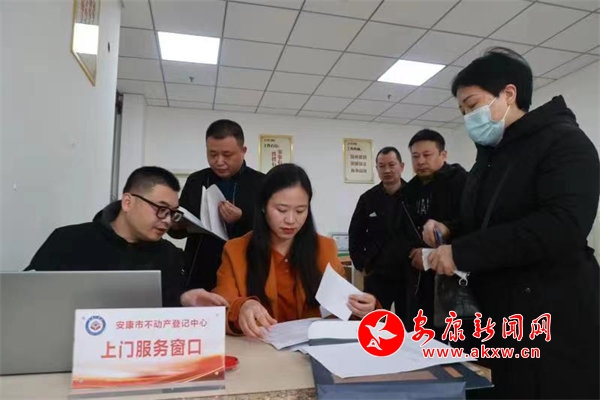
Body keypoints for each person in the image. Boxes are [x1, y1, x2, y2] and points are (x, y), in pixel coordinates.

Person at [424, 47, 599, 399]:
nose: (468, 118)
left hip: (551, 315)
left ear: (508, 93)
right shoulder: (490, 157)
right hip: (498, 313)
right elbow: (488, 220)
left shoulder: (564, 142)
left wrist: (462, 252)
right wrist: (450, 230)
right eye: (462, 112)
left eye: (472, 105)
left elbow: (561, 226)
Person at [208, 163, 377, 338]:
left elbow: (344, 309)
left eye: (300, 210)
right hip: (259, 348)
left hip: (311, 349)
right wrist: (241, 307)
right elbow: (220, 308)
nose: (291, 220)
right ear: (263, 206)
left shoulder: (325, 248)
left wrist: (364, 307)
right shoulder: (236, 251)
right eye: (281, 210)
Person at [26, 167, 191, 307]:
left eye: (172, 213)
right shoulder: (67, 241)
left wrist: (184, 299)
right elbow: (28, 297)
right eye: (162, 209)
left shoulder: (170, 255)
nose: (168, 220)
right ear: (128, 202)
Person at [170, 119, 265, 292]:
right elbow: (178, 231)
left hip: (245, 271)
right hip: (199, 271)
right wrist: (177, 224)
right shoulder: (196, 180)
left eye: (227, 155)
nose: (219, 161)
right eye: (212, 154)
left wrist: (241, 219)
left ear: (243, 151)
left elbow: (270, 233)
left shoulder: (261, 183)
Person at [401, 130, 467, 334]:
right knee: (420, 334)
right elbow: (403, 229)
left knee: (453, 337)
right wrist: (412, 250)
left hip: (454, 277)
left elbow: (472, 222)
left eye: (427, 155)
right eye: (415, 156)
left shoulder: (461, 182)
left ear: (443, 155)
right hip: (419, 277)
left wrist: (447, 228)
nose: (420, 161)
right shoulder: (409, 191)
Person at [348, 147, 412, 319]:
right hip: (377, 274)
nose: (387, 170)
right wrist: (361, 264)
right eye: (382, 166)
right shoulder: (368, 199)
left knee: (408, 323)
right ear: (376, 169)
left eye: (392, 165)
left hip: (408, 274)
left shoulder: (413, 195)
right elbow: (355, 234)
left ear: (402, 166)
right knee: (374, 322)